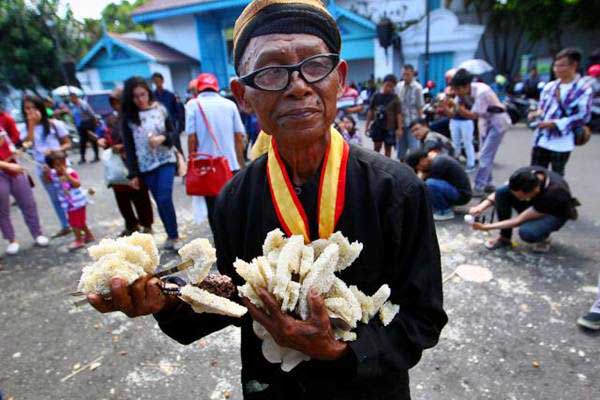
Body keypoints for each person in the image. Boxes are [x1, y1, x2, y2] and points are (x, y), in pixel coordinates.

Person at [88, 2, 447, 399]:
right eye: (272, 71)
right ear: (243, 96)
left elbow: (422, 317)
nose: (298, 86)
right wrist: (165, 299)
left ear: (340, 79)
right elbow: (229, 295)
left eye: (315, 64)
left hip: (369, 390)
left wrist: (340, 351)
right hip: (274, 387)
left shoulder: (396, 189)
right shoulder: (235, 199)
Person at [121, 76, 180, 250]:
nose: (140, 99)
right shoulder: (129, 119)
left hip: (166, 159)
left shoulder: (160, 109)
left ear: (148, 93)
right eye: (136, 96)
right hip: (145, 165)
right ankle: (170, 234)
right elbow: (129, 148)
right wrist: (133, 173)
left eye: (143, 94)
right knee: (159, 201)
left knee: (164, 196)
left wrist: (163, 138)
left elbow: (174, 133)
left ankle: (175, 236)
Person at [185, 73, 246, 232]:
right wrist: (240, 162)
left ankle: (221, 245)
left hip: (207, 167)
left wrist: (191, 161)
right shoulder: (229, 104)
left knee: (214, 208)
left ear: (199, 88)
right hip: (231, 166)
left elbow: (191, 138)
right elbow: (239, 136)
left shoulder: (193, 105)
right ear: (216, 87)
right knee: (233, 205)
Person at [468, 166, 578, 253]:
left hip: (554, 213)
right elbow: (500, 191)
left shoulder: (554, 193)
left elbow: (518, 221)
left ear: (535, 190)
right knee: (502, 192)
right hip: (537, 202)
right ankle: (505, 238)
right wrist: (480, 207)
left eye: (521, 196)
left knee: (527, 232)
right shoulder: (524, 175)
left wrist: (487, 227)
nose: (518, 199)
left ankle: (544, 236)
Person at [98, 88, 154, 237]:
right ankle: (131, 224)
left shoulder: (136, 118)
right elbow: (105, 135)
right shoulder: (110, 119)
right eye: (114, 103)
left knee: (140, 195)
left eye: (119, 102)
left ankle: (147, 225)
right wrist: (103, 141)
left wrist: (124, 146)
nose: (117, 106)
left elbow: (143, 139)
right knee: (122, 198)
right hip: (116, 164)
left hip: (134, 162)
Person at [529, 48, 593, 177]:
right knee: (534, 176)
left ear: (574, 65)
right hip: (541, 139)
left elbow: (583, 116)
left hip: (562, 141)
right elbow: (542, 108)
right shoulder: (550, 86)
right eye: (555, 65)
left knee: (556, 177)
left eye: (561, 65)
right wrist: (536, 113)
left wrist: (556, 124)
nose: (556, 69)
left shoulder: (583, 89)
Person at [450, 68, 511, 197]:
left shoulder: (482, 91)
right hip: (485, 122)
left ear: (466, 86)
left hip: (497, 122)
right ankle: (488, 183)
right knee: (485, 153)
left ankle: (479, 186)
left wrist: (457, 108)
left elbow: (473, 115)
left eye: (457, 89)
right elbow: (453, 111)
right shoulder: (463, 92)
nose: (456, 92)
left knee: (485, 155)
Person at [21, 95, 72, 238]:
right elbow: (27, 144)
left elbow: (67, 143)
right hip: (42, 167)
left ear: (40, 108)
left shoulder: (54, 124)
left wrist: (56, 151)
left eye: (34, 107)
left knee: (69, 193)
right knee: (55, 198)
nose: (31, 111)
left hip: (60, 165)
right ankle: (65, 225)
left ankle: (78, 223)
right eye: (27, 108)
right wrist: (31, 124)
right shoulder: (26, 128)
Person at [0, 126, 49, 255]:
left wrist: (31, 124)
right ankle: (11, 240)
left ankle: (37, 233)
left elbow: (20, 142)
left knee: (28, 203)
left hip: (15, 168)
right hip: (5, 170)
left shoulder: (5, 118)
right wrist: (7, 165)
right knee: (2, 209)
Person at [45, 150, 94, 250]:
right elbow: (48, 180)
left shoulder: (70, 172)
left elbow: (77, 184)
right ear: (52, 166)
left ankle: (79, 240)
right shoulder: (53, 173)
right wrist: (46, 173)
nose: (62, 166)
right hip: (68, 203)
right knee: (80, 221)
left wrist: (67, 176)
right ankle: (89, 236)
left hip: (77, 202)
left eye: (63, 163)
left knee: (74, 223)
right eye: (57, 165)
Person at [406, 148, 472, 220]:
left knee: (429, 184)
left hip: (462, 195)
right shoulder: (433, 161)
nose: (419, 170)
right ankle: (444, 207)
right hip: (454, 190)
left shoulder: (438, 164)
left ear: (422, 161)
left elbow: (423, 188)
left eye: (418, 167)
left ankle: (444, 212)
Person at [364, 74, 402, 158]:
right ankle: (374, 166)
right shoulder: (376, 96)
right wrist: (367, 126)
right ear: (383, 84)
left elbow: (398, 113)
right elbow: (370, 111)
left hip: (390, 127)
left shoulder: (395, 98)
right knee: (376, 148)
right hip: (377, 126)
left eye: (392, 86)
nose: (389, 88)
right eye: (387, 85)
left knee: (388, 150)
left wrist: (399, 128)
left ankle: (386, 168)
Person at [395, 64, 424, 159]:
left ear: (412, 74)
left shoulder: (418, 88)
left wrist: (421, 124)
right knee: (400, 151)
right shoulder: (399, 86)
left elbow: (420, 107)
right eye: (403, 74)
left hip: (413, 123)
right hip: (401, 124)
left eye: (407, 74)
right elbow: (397, 106)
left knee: (414, 149)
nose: (405, 76)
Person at [69, 93, 99, 164]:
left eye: (72, 98)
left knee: (93, 140)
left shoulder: (83, 104)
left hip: (88, 123)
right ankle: (82, 158)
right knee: (82, 142)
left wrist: (94, 124)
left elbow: (92, 114)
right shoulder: (73, 106)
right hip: (81, 125)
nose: (71, 100)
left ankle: (97, 156)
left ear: (75, 97)